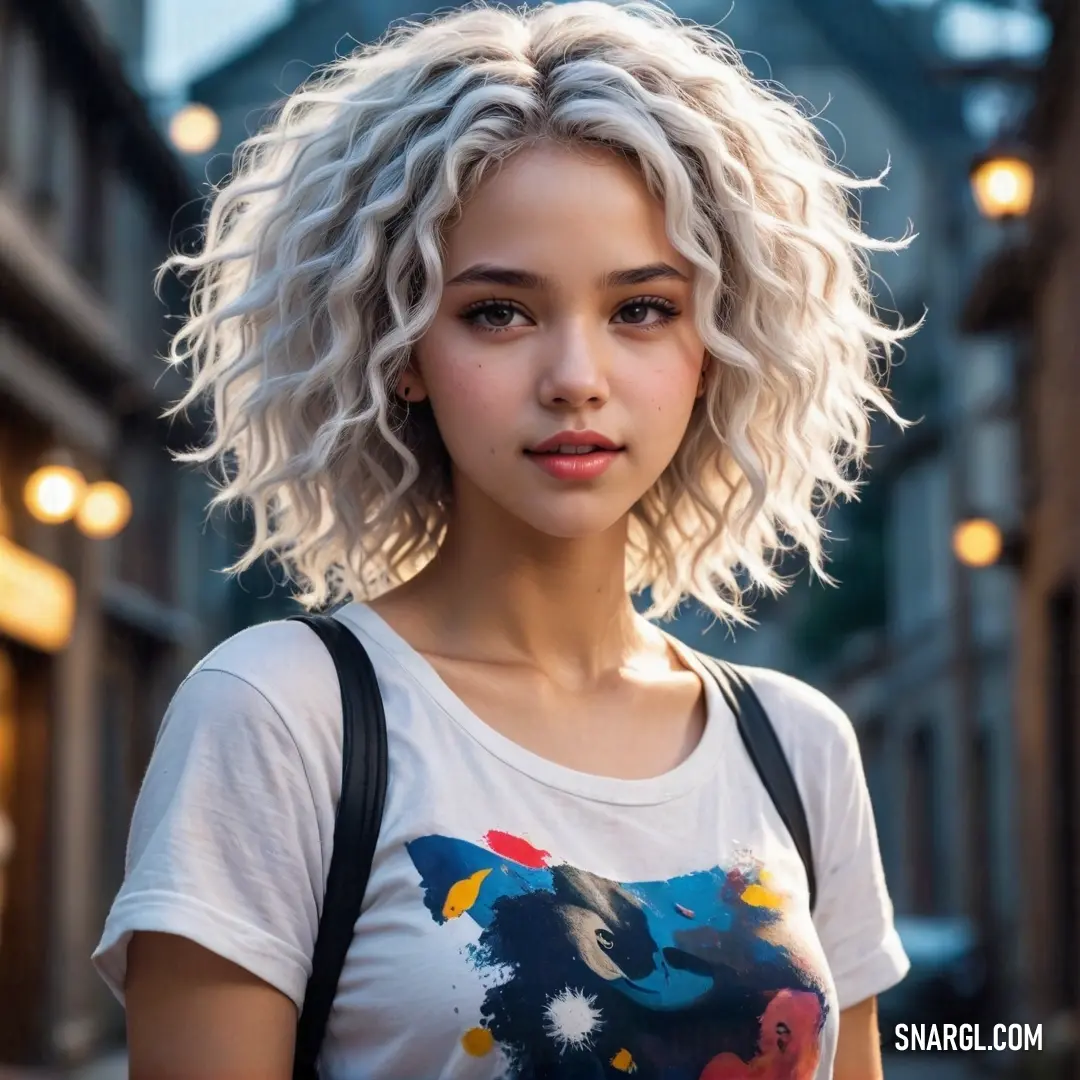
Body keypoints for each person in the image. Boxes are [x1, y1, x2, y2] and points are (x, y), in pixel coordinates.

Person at [93, 2, 915, 1077]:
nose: (576, 376)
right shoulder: (280, 716)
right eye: (499, 312)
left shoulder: (798, 746)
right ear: (400, 349)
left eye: (642, 310)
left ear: (713, 348)